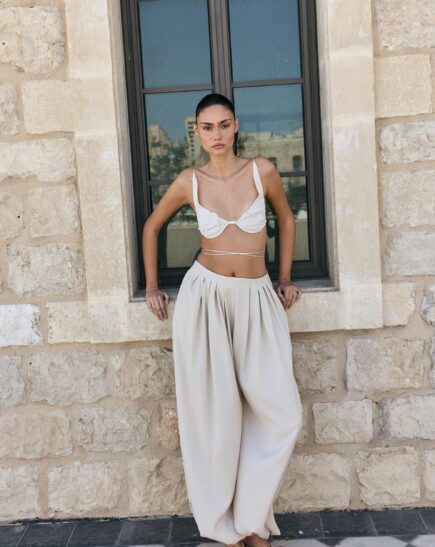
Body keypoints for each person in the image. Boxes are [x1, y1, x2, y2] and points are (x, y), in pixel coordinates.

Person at [143, 93, 303, 547]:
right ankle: (229, 531)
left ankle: (252, 520)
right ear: (197, 132)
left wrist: (285, 279)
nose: (216, 134)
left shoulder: (261, 171)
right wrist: (153, 286)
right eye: (207, 127)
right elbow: (152, 227)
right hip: (205, 299)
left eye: (224, 125)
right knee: (215, 418)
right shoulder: (188, 181)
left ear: (236, 127)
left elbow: (287, 220)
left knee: (281, 414)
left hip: (256, 298)